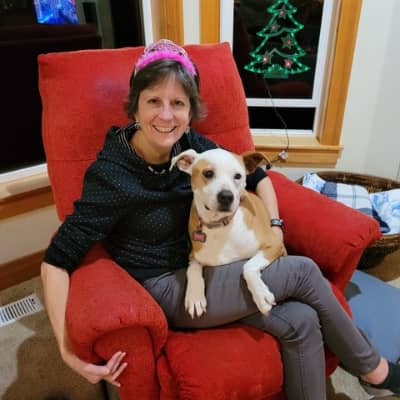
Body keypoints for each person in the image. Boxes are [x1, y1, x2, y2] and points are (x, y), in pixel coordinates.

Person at [40, 39, 400, 399]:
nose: (166, 116)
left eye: (178, 103)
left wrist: (275, 225)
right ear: (134, 106)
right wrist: (67, 349)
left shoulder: (187, 142)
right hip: (168, 288)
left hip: (215, 263)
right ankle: (376, 371)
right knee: (303, 272)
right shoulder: (111, 176)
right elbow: (56, 260)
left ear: (190, 111)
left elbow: (257, 177)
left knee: (302, 321)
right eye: (153, 101)